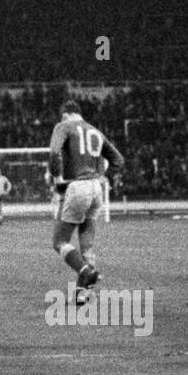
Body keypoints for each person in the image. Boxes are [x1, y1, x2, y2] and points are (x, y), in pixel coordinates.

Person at [48, 100, 123, 306]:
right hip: (96, 188)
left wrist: (56, 177)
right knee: (87, 245)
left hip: (77, 186)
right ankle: (83, 293)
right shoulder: (95, 131)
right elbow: (118, 160)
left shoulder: (63, 126)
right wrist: (104, 177)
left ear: (65, 114)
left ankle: (86, 271)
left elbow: (54, 153)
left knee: (59, 242)